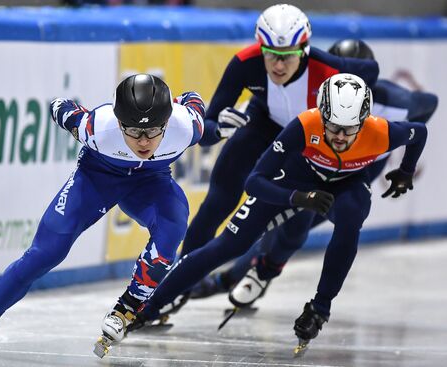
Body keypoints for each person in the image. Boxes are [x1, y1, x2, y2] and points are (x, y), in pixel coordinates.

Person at [135, 73, 427, 348]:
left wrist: (406, 170)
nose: (339, 136)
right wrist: (297, 197)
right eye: (332, 126)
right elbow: (254, 182)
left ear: (364, 122)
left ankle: (319, 308)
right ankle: (149, 306)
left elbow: (420, 132)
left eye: (349, 129)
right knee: (230, 244)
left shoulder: (382, 132)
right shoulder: (305, 125)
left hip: (346, 184)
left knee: (352, 218)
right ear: (321, 115)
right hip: (296, 179)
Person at [0, 74, 206, 358]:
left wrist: (199, 117)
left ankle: (128, 308)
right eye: (134, 131)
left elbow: (193, 100)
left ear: (167, 123)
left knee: (173, 226)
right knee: (46, 252)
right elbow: (61, 108)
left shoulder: (186, 126)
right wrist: (62, 108)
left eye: (152, 133)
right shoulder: (97, 127)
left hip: (151, 182)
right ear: (118, 122)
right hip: (98, 179)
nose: (143, 141)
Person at [189, 39, 439, 301]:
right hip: (318, 163)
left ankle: (245, 275)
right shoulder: (318, 101)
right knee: (282, 219)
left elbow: (427, 106)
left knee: (293, 225)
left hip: (359, 169)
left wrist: (393, 155)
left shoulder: (394, 100)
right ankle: (244, 275)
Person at [175, 4, 379, 307]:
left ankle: (264, 271)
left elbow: (371, 71)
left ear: (305, 49)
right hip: (262, 124)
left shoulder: (328, 68)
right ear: (260, 46)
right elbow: (206, 130)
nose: (279, 65)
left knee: (296, 224)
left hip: (303, 143)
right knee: (218, 202)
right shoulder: (245, 62)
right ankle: (176, 285)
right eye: (271, 54)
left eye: (288, 56)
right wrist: (218, 128)